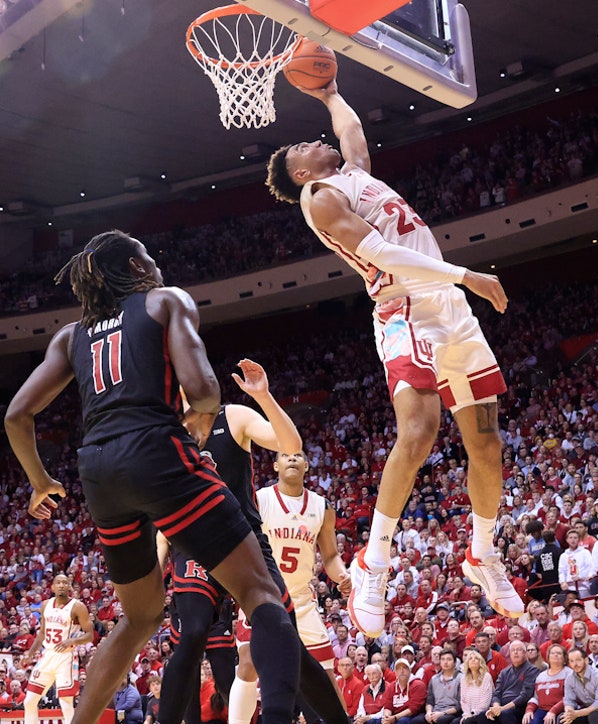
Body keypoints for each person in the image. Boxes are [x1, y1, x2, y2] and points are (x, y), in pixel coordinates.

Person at [4, 231, 310, 724]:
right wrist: (197, 420)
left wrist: (40, 481)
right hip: (154, 450)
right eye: (149, 255)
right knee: (259, 591)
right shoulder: (164, 301)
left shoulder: (70, 334)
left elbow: (16, 416)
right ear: (134, 263)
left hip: (98, 470)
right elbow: (205, 389)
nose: (156, 262)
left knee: (140, 617)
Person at [267, 80, 519, 636]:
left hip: (449, 307)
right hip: (405, 308)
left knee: (485, 442)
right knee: (419, 430)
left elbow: (351, 131)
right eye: (299, 150)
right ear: (301, 175)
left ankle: (481, 553)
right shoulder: (319, 198)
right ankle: (373, 562)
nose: (311, 142)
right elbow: (378, 251)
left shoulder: (352, 173)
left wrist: (333, 92)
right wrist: (465, 273)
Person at [160, 360, 345, 724]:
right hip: (195, 543)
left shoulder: (234, 417)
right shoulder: (167, 436)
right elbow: (162, 513)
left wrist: (263, 396)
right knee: (194, 631)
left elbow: (290, 443)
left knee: (282, 634)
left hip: (242, 536)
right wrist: (155, 562)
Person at [231, 451, 353, 724]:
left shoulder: (322, 507)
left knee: (326, 674)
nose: (293, 459)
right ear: (275, 465)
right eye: (286, 455)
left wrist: (342, 574)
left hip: (301, 599)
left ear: (307, 465)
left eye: (298, 455)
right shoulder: (259, 499)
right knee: (249, 664)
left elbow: (331, 556)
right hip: (262, 595)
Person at [21, 575, 93, 724]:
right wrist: (30, 653)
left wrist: (73, 640)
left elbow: (90, 635)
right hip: (47, 656)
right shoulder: (46, 605)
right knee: (29, 701)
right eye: (58, 583)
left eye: (65, 583)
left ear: (69, 587)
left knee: (65, 702)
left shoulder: (77, 607)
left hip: (66, 657)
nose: (61, 585)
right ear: (52, 587)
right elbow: (41, 635)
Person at [562, 649, 598, 724]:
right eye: (571, 661)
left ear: (586, 660)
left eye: (578, 660)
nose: (575, 664)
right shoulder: (569, 678)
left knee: (594, 716)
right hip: (586, 710)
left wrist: (576, 714)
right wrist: (569, 713)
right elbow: (569, 700)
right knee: (562, 718)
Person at [411, 649, 460, 724]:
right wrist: (429, 712)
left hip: (452, 712)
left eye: (449, 659)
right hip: (435, 711)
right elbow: (430, 700)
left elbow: (460, 705)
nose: (445, 662)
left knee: (441, 720)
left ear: (454, 662)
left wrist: (443, 713)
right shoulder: (434, 679)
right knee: (416, 721)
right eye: (443, 659)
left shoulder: (460, 678)